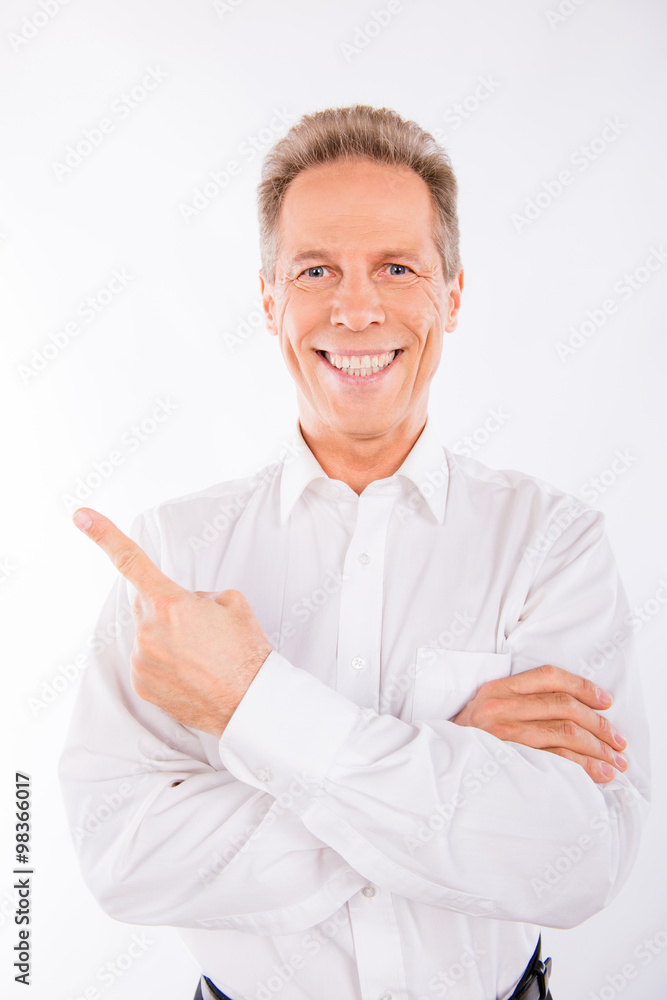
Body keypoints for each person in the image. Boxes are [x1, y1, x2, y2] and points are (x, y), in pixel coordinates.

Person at [58, 104, 650, 1000]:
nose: (357, 306)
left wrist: (254, 706)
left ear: (451, 293)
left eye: (397, 268)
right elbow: (122, 856)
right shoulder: (176, 555)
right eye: (315, 269)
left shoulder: (551, 544)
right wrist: (446, 765)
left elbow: (576, 859)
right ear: (269, 300)